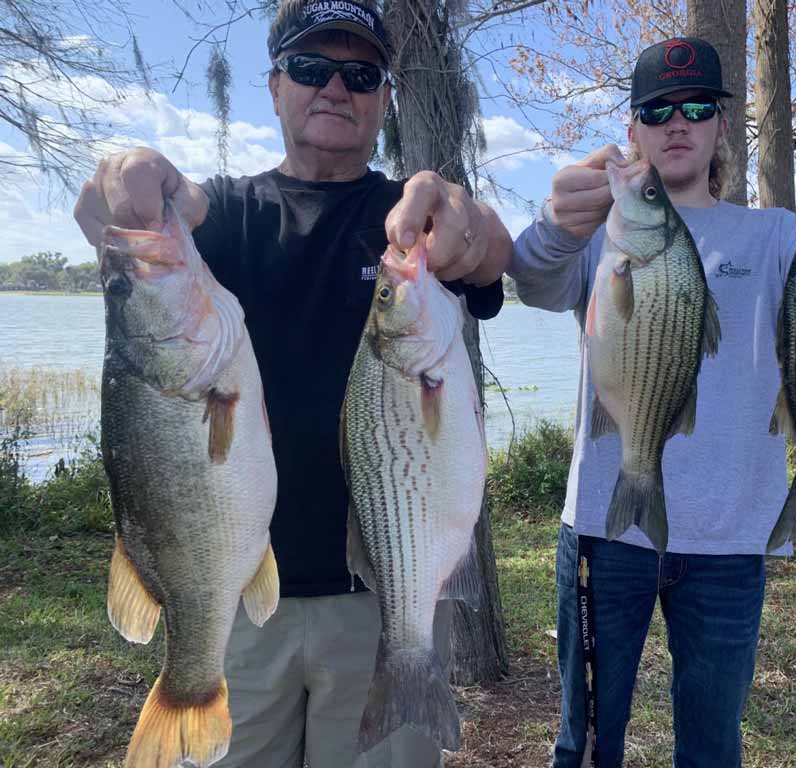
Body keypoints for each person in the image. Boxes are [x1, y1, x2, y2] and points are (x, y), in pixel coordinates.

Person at [74, 1, 512, 766]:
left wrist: (466, 228)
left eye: (361, 73)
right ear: (274, 86)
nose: (336, 88)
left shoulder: (407, 222)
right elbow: (128, 235)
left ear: (385, 96)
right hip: (237, 597)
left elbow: (488, 252)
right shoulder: (219, 219)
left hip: (387, 594)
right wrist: (119, 186)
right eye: (312, 68)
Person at [508, 37, 796, 768]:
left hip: (733, 541)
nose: (678, 123)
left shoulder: (773, 236)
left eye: (698, 107)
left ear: (718, 129)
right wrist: (556, 222)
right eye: (658, 110)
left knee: (711, 748)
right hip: (602, 535)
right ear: (635, 129)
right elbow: (527, 279)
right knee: (583, 744)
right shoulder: (602, 234)